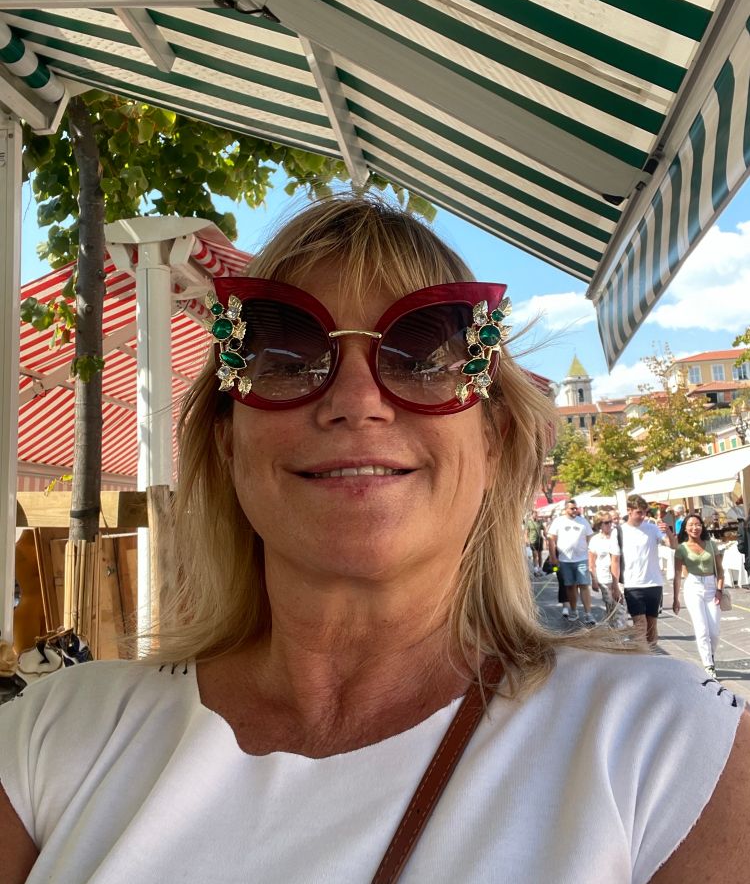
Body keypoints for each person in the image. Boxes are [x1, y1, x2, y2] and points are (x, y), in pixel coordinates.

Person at [1, 196, 748, 884]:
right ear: (227, 444)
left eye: (422, 359)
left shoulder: (667, 749)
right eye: (287, 359)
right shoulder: (52, 735)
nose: (355, 401)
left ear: (493, 439)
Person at [619, 494, 676, 646]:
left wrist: (668, 531)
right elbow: (615, 559)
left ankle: (652, 657)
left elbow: (672, 545)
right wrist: (614, 585)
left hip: (654, 583)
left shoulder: (652, 528)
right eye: (639, 512)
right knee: (640, 625)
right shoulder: (620, 531)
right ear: (629, 511)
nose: (643, 516)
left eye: (644, 512)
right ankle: (640, 657)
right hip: (633, 584)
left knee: (652, 627)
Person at [673, 513, 726, 678]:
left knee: (714, 632)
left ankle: (710, 655)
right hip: (693, 586)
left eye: (698, 524)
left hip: (712, 587)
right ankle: (708, 665)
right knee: (701, 629)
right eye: (691, 525)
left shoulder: (711, 545)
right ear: (685, 528)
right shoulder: (681, 548)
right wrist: (675, 598)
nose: (695, 528)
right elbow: (676, 575)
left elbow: (720, 569)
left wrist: (719, 589)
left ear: (702, 526)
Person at [546, 499, 595, 625]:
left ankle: (588, 614)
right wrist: (553, 557)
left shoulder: (583, 521)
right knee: (570, 586)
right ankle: (573, 610)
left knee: (584, 585)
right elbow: (551, 539)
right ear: (565, 509)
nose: (574, 510)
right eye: (572, 508)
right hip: (564, 560)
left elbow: (590, 538)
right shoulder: (558, 521)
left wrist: (591, 554)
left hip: (582, 559)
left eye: (576, 508)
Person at [588, 511, 626, 629]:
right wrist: (593, 579)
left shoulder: (618, 536)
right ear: (599, 524)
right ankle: (614, 632)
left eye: (612, 521)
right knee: (611, 607)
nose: (610, 524)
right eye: (606, 522)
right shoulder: (595, 540)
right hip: (604, 578)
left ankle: (619, 632)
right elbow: (592, 562)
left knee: (620, 606)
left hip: (620, 576)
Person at [525, 509, 545, 577]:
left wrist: (546, 536)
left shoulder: (540, 522)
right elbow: (526, 533)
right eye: (535, 514)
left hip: (539, 540)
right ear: (532, 514)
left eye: (537, 514)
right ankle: (535, 570)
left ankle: (540, 569)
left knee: (540, 555)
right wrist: (527, 540)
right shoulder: (529, 522)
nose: (536, 515)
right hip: (532, 541)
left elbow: (544, 529)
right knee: (535, 555)